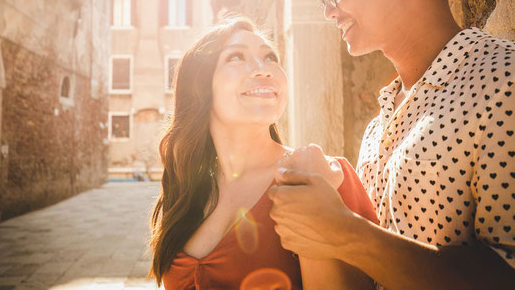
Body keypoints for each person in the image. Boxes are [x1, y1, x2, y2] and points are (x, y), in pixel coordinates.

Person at [268, 0, 515, 289]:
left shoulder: (508, 80)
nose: (329, 11)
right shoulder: (378, 128)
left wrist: (345, 232)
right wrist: (314, 233)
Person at [149, 17, 378, 289]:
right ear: (200, 86)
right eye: (236, 57)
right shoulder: (187, 188)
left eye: (270, 57)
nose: (264, 69)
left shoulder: (325, 175)